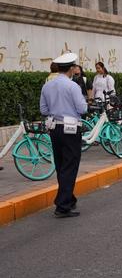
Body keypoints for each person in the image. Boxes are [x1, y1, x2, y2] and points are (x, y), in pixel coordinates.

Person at [40, 53, 88, 218]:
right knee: (70, 164)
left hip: (54, 128)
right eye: (74, 66)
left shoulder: (47, 86)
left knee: (61, 165)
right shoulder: (72, 86)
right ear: (71, 69)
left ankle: (68, 197)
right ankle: (63, 205)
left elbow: (43, 110)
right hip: (70, 128)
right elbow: (82, 109)